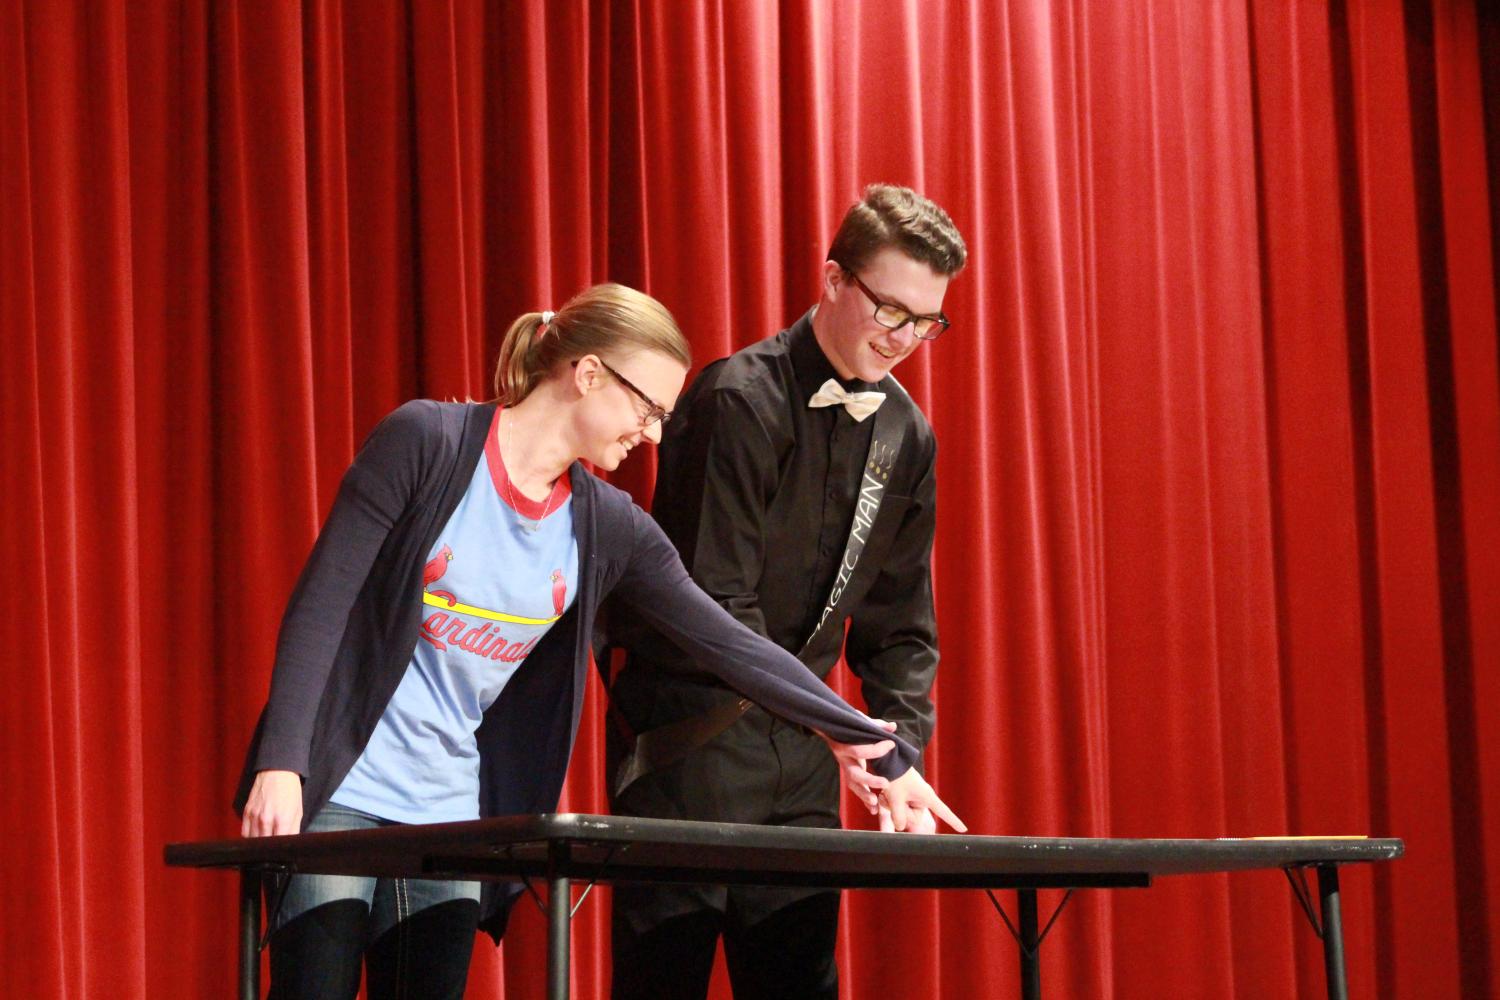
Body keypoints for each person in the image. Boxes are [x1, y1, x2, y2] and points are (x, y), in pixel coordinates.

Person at [234, 282, 961, 1000]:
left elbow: (731, 644)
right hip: (343, 790)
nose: (651, 434)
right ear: (586, 374)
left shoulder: (606, 523)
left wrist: (862, 736)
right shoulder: (427, 441)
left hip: (449, 808)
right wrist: (281, 765)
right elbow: (320, 607)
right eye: (648, 409)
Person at [607, 185, 968, 1000]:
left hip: (801, 764)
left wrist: (896, 752)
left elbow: (902, 625)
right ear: (834, 280)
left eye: (927, 321)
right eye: (889, 309)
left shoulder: (906, 433)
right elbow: (714, 610)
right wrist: (841, 725)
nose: (906, 337)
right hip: (687, 747)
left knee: (800, 982)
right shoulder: (739, 400)